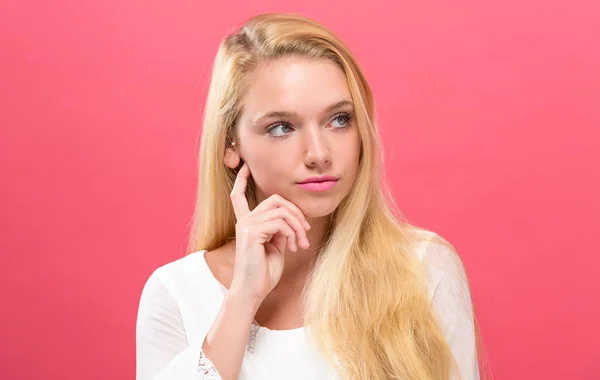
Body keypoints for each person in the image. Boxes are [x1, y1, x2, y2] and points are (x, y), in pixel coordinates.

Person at [136, 13, 481, 380]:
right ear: (230, 145)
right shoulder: (176, 293)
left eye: (339, 120)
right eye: (281, 127)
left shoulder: (424, 268)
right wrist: (241, 301)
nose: (318, 153)